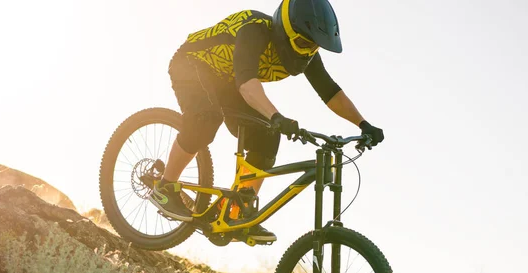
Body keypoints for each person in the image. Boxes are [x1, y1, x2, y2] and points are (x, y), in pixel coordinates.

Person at [150, 0, 384, 242]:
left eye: (314, 46)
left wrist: (363, 124)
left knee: (268, 135)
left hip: (228, 81)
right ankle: (164, 187)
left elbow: (330, 92)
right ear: (286, 32)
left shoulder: (305, 54)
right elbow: (247, 85)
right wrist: (276, 116)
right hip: (193, 64)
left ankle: (237, 212)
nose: (307, 51)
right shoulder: (256, 31)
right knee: (205, 120)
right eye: (305, 43)